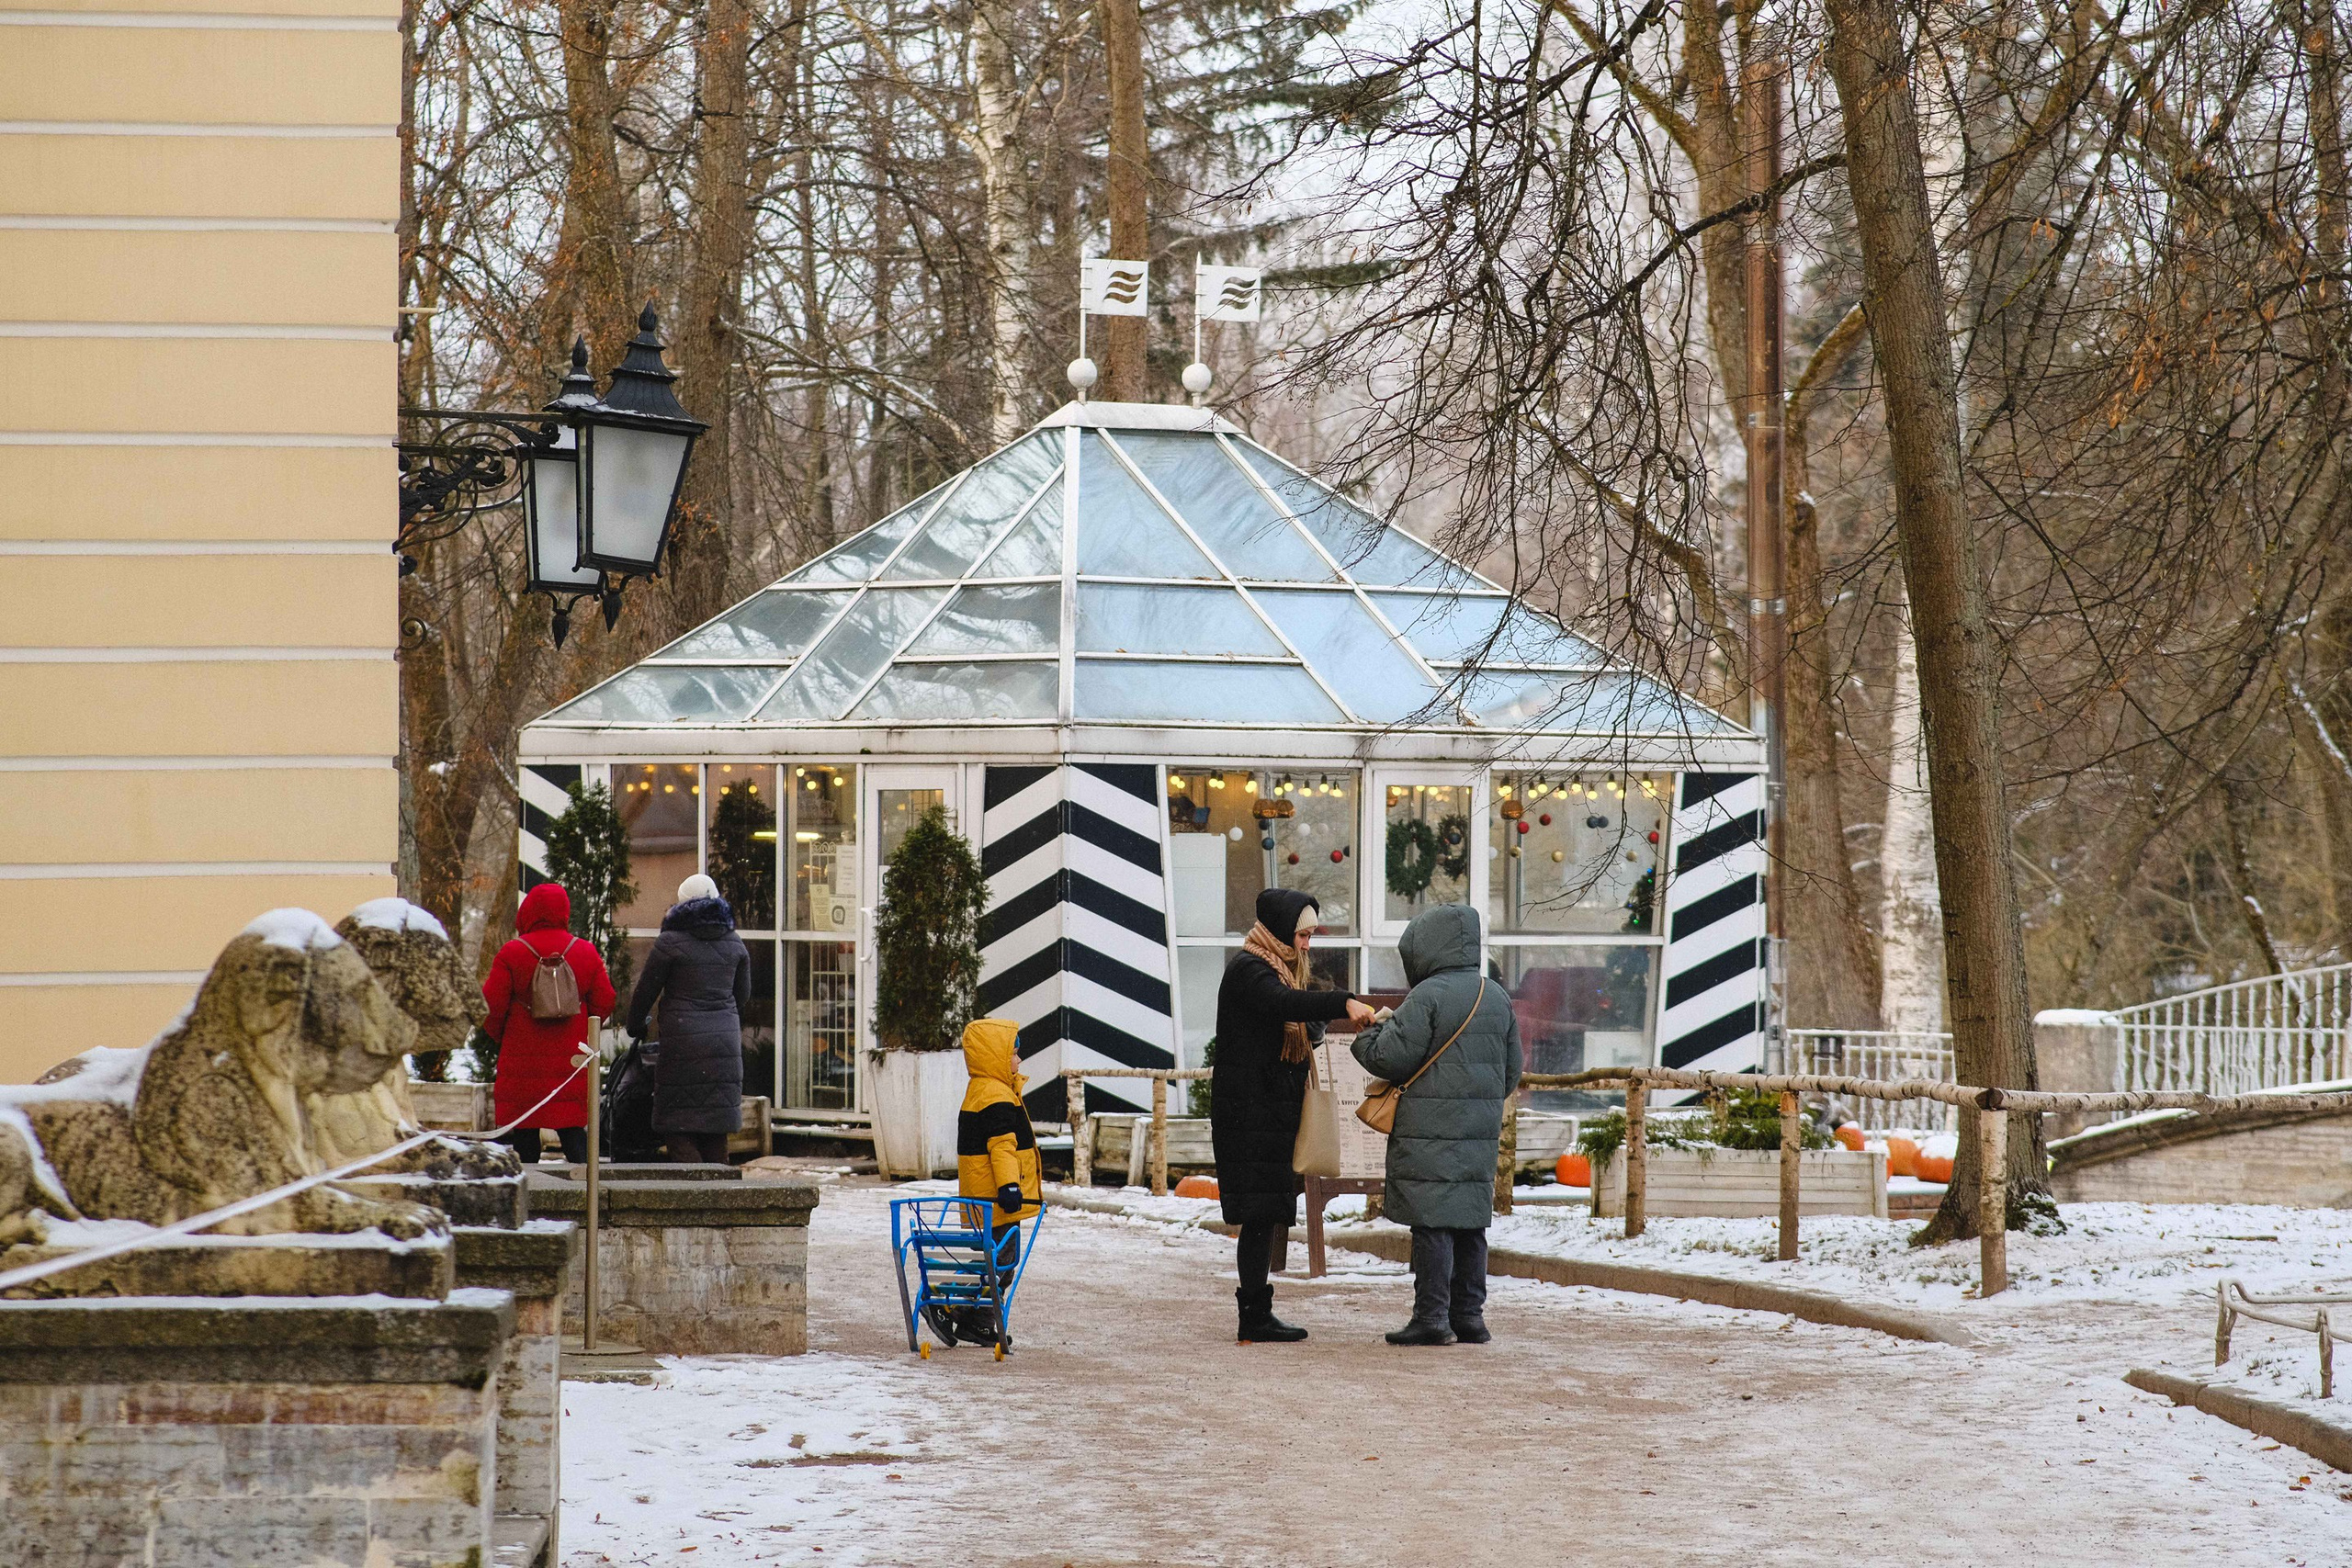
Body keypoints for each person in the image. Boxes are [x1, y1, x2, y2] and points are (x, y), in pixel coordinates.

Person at [1210, 887, 1376, 1344]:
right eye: (1303, 935)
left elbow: (1280, 1027)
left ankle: (1257, 1314)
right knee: (1259, 1212)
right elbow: (1282, 1007)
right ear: (1282, 929)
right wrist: (1341, 1002)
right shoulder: (1250, 970)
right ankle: (1253, 1317)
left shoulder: (1277, 971)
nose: (1307, 944)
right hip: (1249, 1114)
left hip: (1267, 1110)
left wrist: (1315, 1030)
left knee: (1265, 1212)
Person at [1351, 903, 1521, 1346]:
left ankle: (1431, 1318)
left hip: (1429, 1128)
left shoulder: (1427, 996)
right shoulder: (1496, 996)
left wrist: (1369, 1032)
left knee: (1432, 1223)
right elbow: (1511, 1073)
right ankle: (1469, 1317)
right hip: (1478, 1131)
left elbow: (1387, 1057)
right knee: (1469, 1222)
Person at [481, 881, 616, 1165]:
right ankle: (587, 1199)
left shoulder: (512, 952)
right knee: (574, 1135)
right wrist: (583, 1032)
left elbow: (490, 1007)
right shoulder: (586, 952)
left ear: (528, 911)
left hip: (522, 1064)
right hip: (571, 1063)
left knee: (525, 1135)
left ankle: (531, 1202)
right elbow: (605, 1000)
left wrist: (505, 1038)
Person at [626, 873, 750, 1165]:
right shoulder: (735, 942)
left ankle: (693, 1192)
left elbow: (646, 991)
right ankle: (718, 1197)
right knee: (715, 1129)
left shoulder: (669, 943)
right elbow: (742, 995)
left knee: (677, 1125)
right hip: (724, 1043)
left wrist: (636, 1026)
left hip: (683, 1043)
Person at [945, 1016, 1041, 1346]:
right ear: (997, 1056)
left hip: (979, 1197)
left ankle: (982, 1321)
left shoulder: (980, 1090)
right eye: (1015, 1053)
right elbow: (1001, 1146)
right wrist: (1009, 1187)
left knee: (994, 1261)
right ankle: (952, 1306)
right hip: (997, 1201)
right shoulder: (996, 1094)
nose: (1019, 1060)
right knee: (1001, 1260)